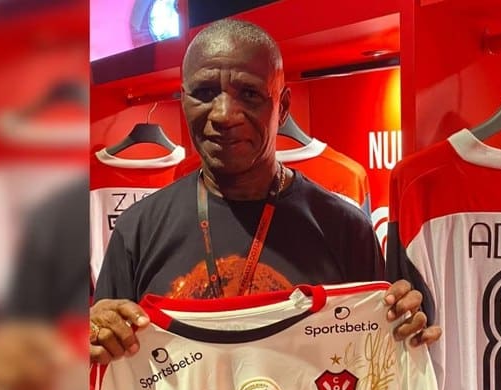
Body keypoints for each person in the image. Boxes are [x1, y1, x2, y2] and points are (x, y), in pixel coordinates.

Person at [89, 19, 441, 365]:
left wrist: (403, 332)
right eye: (205, 93)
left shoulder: (345, 229)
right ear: (183, 100)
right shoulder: (137, 231)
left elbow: (374, 359)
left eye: (249, 94)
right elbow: (101, 361)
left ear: (282, 107)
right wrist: (93, 337)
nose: (224, 114)